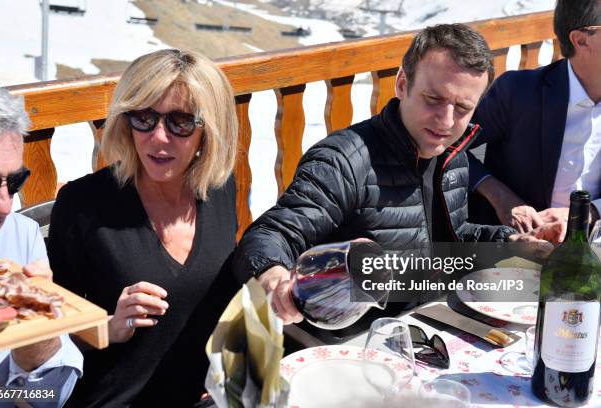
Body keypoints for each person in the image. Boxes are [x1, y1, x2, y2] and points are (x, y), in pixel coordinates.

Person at [232, 24, 560, 326]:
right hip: (352, 336)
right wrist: (273, 275)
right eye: (434, 99)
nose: (446, 121)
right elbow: (270, 234)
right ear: (402, 84)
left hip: (426, 321)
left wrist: (511, 243)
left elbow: (450, 239)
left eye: (462, 108)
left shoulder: (453, 154)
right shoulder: (344, 161)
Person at [48, 49, 239, 406]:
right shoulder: (83, 204)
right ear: (126, 120)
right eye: (145, 118)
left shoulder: (220, 189)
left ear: (208, 130)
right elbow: (49, 335)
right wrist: (111, 327)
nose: (159, 138)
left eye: (180, 122)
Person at [468, 0, 601, 233]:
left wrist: (591, 211)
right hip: (518, 244)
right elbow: (448, 146)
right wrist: (500, 197)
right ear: (581, 40)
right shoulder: (518, 91)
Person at [0, 80, 83, 408]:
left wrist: (37, 343)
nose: (4, 205)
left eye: (15, 182)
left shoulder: (22, 235)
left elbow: (49, 399)